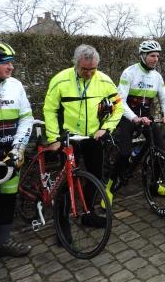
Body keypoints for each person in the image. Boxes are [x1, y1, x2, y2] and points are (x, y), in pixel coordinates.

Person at [43, 44, 123, 227]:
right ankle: (61, 224)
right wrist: (55, 137)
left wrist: (107, 127)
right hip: (67, 138)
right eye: (84, 69)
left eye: (93, 69)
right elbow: (49, 110)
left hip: (92, 136)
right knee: (65, 181)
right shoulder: (61, 80)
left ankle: (88, 214)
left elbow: (119, 106)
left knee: (95, 176)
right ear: (76, 64)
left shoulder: (103, 80)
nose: (89, 73)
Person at [0, 41, 33, 257]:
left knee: (8, 200)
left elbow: (26, 118)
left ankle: (3, 242)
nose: (11, 67)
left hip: (10, 154)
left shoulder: (15, 85)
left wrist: (18, 148)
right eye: (5, 63)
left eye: (12, 62)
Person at [107, 40, 165, 203]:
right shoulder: (129, 72)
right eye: (152, 56)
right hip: (128, 117)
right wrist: (134, 118)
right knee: (124, 153)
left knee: (160, 151)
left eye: (157, 56)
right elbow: (119, 100)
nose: (155, 59)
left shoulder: (157, 77)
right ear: (143, 56)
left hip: (146, 118)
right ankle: (109, 188)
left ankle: (156, 185)